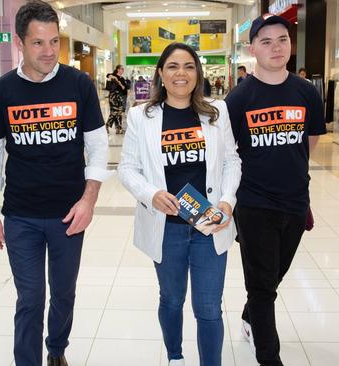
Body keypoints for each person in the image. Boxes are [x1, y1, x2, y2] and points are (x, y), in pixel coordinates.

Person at [0, 1, 110, 365]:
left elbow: (98, 148)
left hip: (69, 214)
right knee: (31, 297)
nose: (49, 51)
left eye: (54, 41)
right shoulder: (3, 91)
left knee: (64, 293)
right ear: (20, 43)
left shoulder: (79, 84)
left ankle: (56, 350)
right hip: (21, 215)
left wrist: (88, 201)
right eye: (38, 43)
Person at [118, 42, 241, 366]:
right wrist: (151, 194)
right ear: (161, 72)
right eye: (172, 66)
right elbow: (127, 168)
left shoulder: (217, 112)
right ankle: (175, 357)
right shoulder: (141, 116)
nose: (181, 73)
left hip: (209, 225)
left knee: (209, 308)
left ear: (197, 73)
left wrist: (227, 201)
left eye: (188, 66)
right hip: (166, 228)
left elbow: (231, 161)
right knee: (171, 300)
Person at [224, 14, 326, 366]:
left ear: (290, 44)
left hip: (296, 202)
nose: (276, 47)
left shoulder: (306, 93)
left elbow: (308, 143)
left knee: (274, 276)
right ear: (252, 49)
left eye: (282, 39)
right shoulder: (238, 99)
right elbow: (228, 153)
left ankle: (251, 317)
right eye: (266, 42)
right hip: (253, 204)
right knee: (262, 286)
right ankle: (269, 356)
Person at [106, 64, 127, 134]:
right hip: (113, 96)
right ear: (118, 69)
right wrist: (112, 77)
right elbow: (108, 75)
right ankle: (107, 125)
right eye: (121, 69)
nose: (122, 70)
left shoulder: (122, 79)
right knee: (114, 112)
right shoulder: (113, 76)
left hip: (120, 96)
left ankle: (118, 128)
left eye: (123, 69)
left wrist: (120, 84)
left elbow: (124, 89)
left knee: (119, 113)